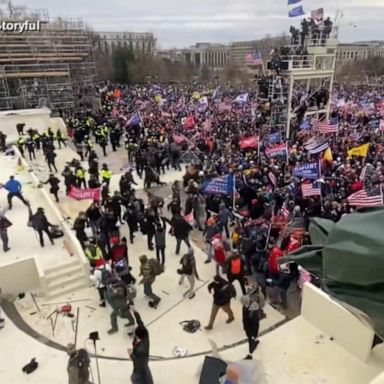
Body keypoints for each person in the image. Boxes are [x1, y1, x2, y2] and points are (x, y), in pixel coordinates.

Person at [240, 279, 266, 360]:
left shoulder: (259, 296)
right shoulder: (245, 307)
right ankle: (252, 343)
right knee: (250, 335)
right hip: (249, 322)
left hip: (253, 318)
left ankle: (252, 343)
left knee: (251, 335)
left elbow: (262, 304)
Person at [128, 311, 154, 384]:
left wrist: (131, 354)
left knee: (136, 379)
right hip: (145, 364)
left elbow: (137, 361)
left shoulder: (141, 349)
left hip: (139, 369)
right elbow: (140, 323)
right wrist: (135, 312)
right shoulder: (145, 335)